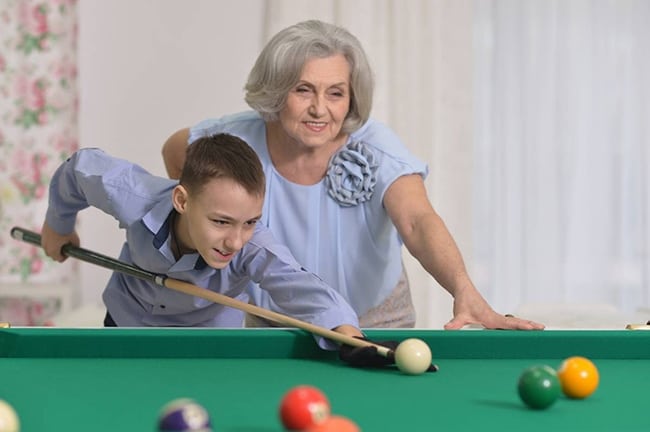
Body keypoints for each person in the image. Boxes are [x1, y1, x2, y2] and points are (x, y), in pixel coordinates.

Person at [161, 20, 544, 331]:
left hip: (374, 318)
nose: (319, 109)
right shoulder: (235, 139)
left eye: (335, 93)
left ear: (352, 97)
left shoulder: (376, 146)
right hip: (270, 320)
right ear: (277, 91)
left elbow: (417, 221)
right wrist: (201, 228)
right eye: (303, 89)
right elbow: (175, 151)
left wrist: (464, 289)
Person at [40, 133, 367, 352]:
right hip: (126, 327)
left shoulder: (251, 247)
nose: (235, 240)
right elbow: (79, 170)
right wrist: (58, 226)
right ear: (182, 200)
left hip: (208, 345)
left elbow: (298, 283)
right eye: (221, 221)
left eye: (250, 222)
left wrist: (345, 329)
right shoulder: (133, 197)